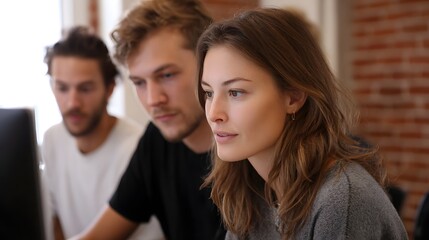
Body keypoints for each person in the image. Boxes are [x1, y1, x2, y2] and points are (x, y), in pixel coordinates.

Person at [197, 8, 408, 240]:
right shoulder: (252, 190)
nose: (214, 113)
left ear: (294, 97)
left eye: (235, 92)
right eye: (208, 93)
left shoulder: (341, 202)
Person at [74, 0, 225, 239]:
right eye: (139, 83)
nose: (154, 99)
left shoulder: (249, 150)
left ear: (208, 64)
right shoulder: (156, 141)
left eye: (166, 75)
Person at [42, 26, 164, 240]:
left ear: (109, 89)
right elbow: (55, 223)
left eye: (85, 89)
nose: (72, 103)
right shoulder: (53, 139)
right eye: (62, 88)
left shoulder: (137, 150)